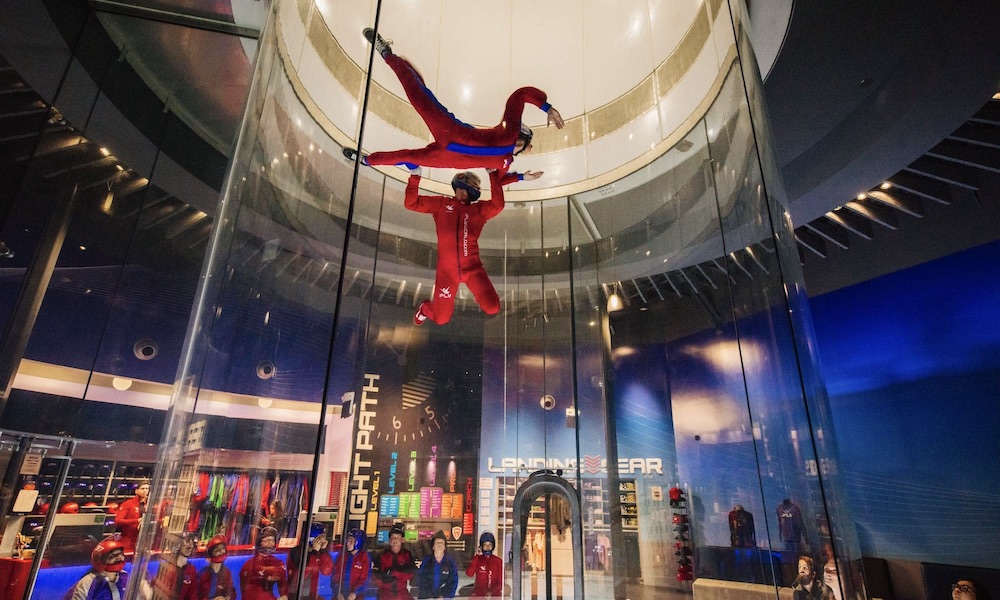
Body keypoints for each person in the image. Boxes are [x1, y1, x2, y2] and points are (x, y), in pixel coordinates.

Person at [345, 28, 564, 179]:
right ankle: (386, 52)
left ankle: (365, 161)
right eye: (531, 144)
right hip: (451, 131)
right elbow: (520, 95)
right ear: (522, 137)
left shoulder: (506, 163)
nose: (532, 149)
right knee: (415, 93)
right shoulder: (508, 132)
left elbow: (499, 182)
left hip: (446, 157)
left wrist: (522, 178)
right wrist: (547, 107)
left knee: (407, 156)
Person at [404, 168, 508, 326]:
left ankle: (478, 294)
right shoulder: (442, 204)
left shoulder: (478, 210)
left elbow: (498, 205)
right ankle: (425, 309)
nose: (477, 186)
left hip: (473, 268)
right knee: (441, 318)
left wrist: (493, 174)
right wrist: (415, 176)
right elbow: (411, 203)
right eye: (473, 183)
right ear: (461, 181)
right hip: (447, 272)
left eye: (478, 185)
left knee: (493, 307)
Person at [63, 538, 128, 600]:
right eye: (112, 556)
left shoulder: (125, 576)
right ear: (101, 560)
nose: (119, 557)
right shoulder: (89, 582)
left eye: (121, 554)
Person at [240, 526, 289, 600]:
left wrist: (284, 595)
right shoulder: (249, 564)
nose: (270, 543)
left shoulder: (278, 563)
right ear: (259, 543)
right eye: (266, 540)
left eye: (272, 540)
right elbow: (247, 591)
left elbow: (283, 585)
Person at [287, 524, 334, 600]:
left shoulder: (319, 552)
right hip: (296, 594)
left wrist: (323, 551)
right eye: (320, 538)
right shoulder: (296, 551)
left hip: (312, 594)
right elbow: (304, 573)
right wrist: (314, 552)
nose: (323, 540)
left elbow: (327, 571)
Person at [151, 531, 199, 600]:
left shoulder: (191, 570)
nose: (190, 545)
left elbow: (193, 595)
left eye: (192, 542)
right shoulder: (167, 567)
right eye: (187, 541)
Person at [375, 524, 416, 600]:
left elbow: (411, 574)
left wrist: (393, 573)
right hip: (385, 594)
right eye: (393, 537)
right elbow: (377, 578)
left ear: (402, 540)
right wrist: (386, 578)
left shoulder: (407, 554)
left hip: (402, 594)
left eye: (397, 537)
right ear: (389, 540)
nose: (395, 540)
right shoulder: (382, 555)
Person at [415, 530, 458, 599]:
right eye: (437, 542)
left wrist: (443, 597)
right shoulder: (426, 561)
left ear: (445, 547)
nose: (439, 545)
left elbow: (453, 582)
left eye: (442, 543)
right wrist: (429, 597)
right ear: (433, 547)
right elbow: (421, 580)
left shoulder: (450, 562)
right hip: (427, 598)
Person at [332, 528, 372, 600]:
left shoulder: (364, 557)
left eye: (351, 541)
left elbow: (365, 579)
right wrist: (338, 592)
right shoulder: (342, 555)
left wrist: (355, 593)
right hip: (340, 596)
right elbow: (335, 576)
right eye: (348, 540)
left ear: (358, 542)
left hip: (357, 597)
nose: (348, 543)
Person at [198, 535, 237, 600]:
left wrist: (228, 597)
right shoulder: (202, 574)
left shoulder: (227, 573)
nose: (222, 551)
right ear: (210, 553)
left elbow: (232, 592)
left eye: (223, 548)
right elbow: (195, 595)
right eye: (218, 550)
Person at [115, 479, 149, 553]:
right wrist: (136, 521)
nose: (145, 491)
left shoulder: (149, 505)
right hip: (128, 539)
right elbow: (118, 521)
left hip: (143, 539)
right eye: (142, 488)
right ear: (136, 491)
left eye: (147, 489)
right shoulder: (128, 504)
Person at [465, 531, 502, 599]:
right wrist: (476, 556)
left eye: (490, 545)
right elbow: (469, 574)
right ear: (481, 546)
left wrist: (492, 593)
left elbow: (500, 582)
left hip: (494, 596)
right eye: (485, 545)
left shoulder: (498, 561)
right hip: (479, 596)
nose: (487, 547)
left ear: (493, 546)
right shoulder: (478, 559)